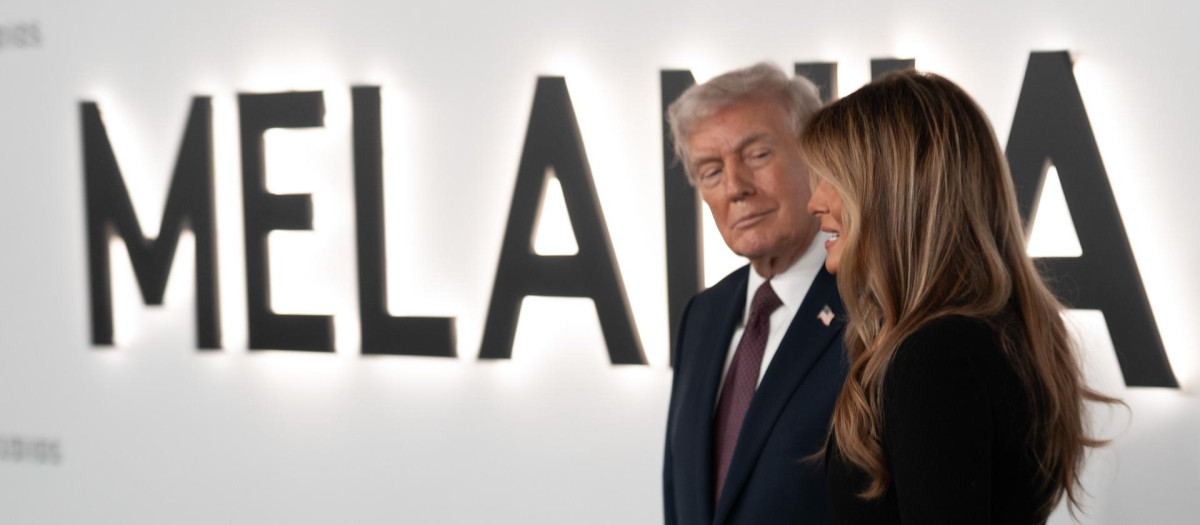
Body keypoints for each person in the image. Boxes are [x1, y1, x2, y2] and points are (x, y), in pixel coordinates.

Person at [803, 69, 1114, 523]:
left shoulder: (934, 356)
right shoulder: (992, 334)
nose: (814, 202)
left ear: (895, 191)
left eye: (832, 179)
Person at [663, 62, 845, 525]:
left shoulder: (870, 306)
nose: (736, 188)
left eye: (758, 154)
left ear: (816, 158)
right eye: (710, 171)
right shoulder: (702, 316)